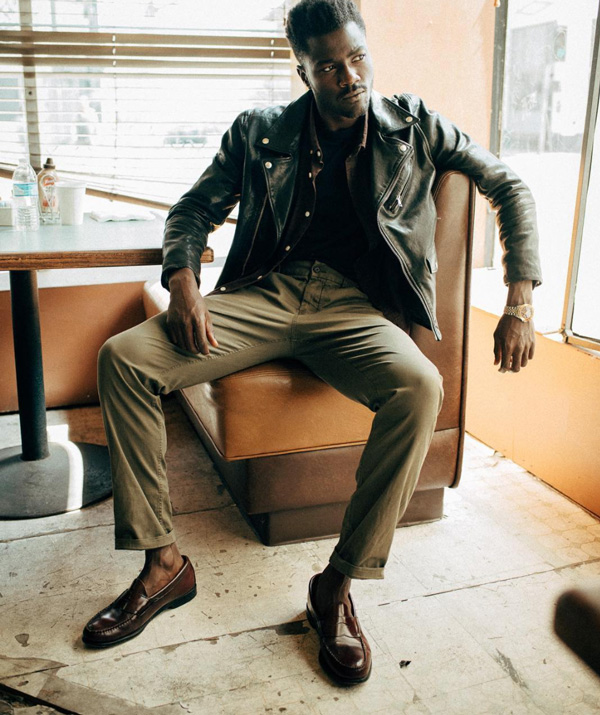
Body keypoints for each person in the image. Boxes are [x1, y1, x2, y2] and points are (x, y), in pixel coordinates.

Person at [82, 0, 542, 685]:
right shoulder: (260, 131)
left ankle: (337, 584)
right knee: (122, 358)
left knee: (419, 387)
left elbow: (508, 184)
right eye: (329, 66)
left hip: (354, 310)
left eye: (357, 58)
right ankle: (164, 563)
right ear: (304, 72)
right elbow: (194, 207)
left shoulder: (414, 123)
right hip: (265, 294)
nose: (349, 75)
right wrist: (181, 278)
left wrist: (520, 295)